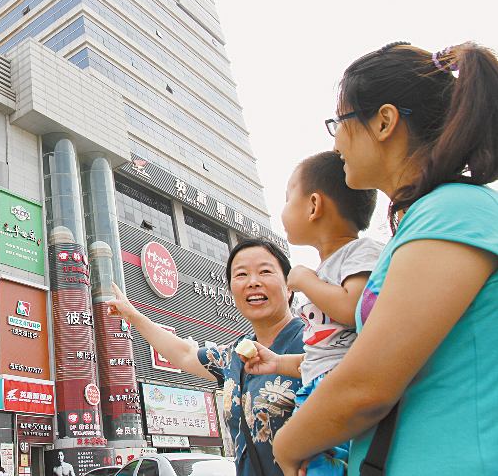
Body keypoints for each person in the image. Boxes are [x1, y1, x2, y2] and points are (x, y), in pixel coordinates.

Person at [271, 42, 498, 475]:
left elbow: (366, 387)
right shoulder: (427, 221)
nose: (336, 141)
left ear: (384, 121)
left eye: (339, 122)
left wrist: (287, 444)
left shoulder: (452, 212)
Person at [107, 238, 305, 476]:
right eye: (241, 275)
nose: (253, 282)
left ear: (289, 287)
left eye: (265, 271)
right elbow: (185, 354)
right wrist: (132, 315)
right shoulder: (236, 354)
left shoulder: (318, 343)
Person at [243, 151, 381, 475]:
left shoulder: (361, 252)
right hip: (318, 387)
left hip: (339, 388)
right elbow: (322, 354)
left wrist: (306, 280)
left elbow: (353, 309)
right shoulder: (326, 269)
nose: (284, 209)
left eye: (288, 197)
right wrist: (277, 363)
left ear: (314, 205)